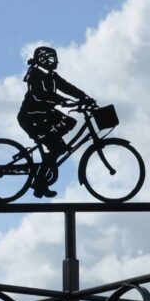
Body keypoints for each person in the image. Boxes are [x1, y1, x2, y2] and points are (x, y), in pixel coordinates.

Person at [18, 46, 92, 198]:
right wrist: (62, 101)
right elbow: (40, 95)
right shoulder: (35, 74)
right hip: (31, 116)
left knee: (69, 122)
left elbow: (67, 87)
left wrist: (84, 97)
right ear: (43, 59)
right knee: (58, 148)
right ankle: (40, 181)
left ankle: (49, 152)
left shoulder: (52, 75)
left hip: (45, 114)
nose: (56, 61)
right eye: (52, 58)